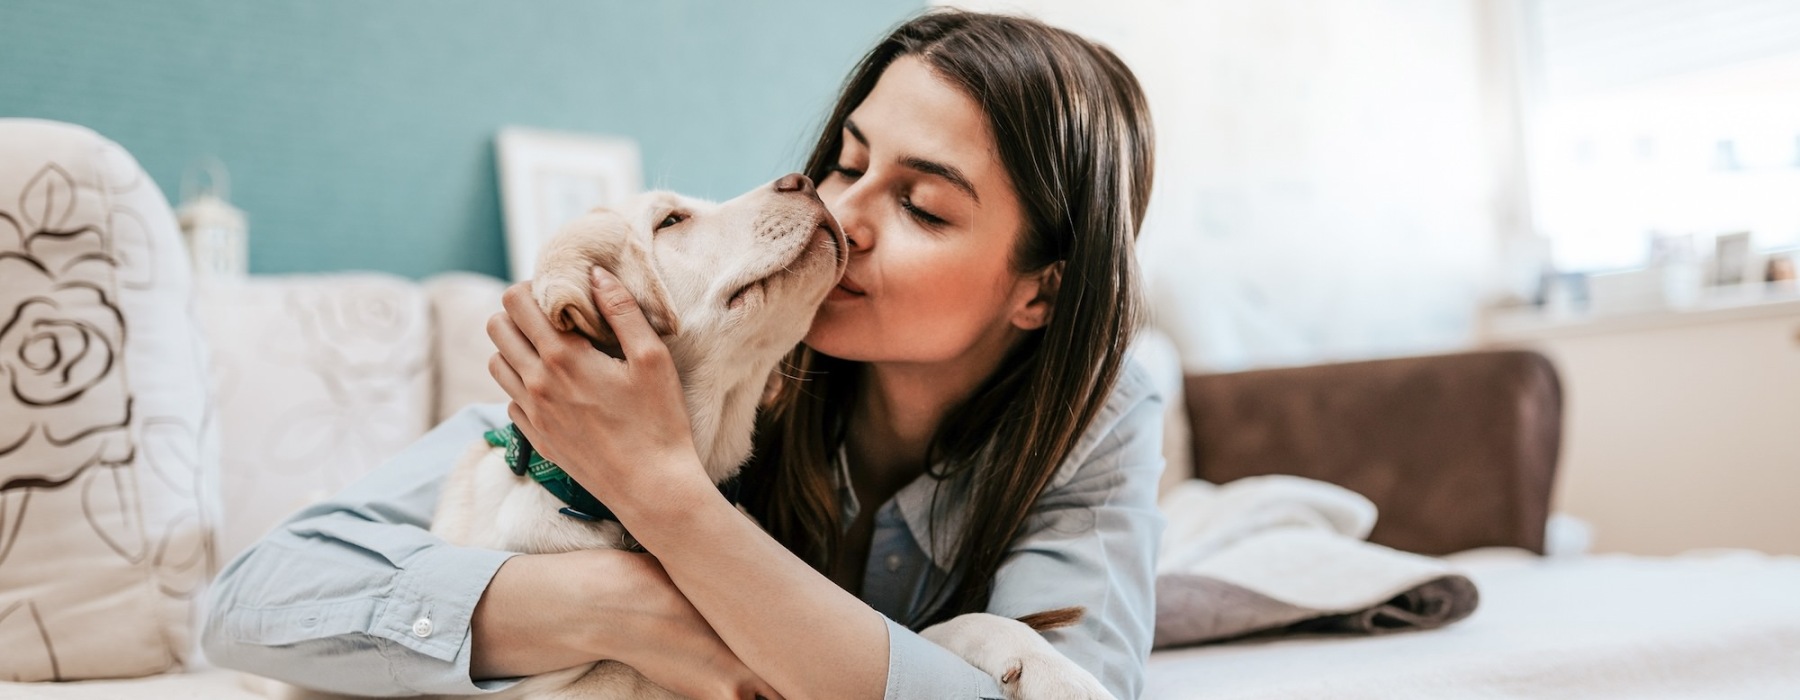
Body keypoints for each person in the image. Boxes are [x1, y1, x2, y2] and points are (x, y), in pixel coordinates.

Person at [204, 9, 1163, 700]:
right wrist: (628, 604)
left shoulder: (1098, 416)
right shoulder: (710, 354)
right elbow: (255, 598)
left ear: (1045, 289)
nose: (846, 213)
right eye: (848, 160)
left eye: (923, 205)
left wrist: (669, 498)